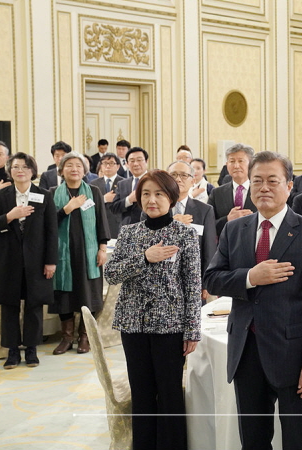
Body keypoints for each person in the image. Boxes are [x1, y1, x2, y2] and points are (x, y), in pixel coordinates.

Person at [203, 151, 302, 450]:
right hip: (246, 353)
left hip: (295, 355)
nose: (264, 188)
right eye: (257, 181)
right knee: (253, 441)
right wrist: (250, 277)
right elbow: (211, 278)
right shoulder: (235, 229)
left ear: (289, 186)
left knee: (297, 442)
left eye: (273, 181)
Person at [104, 170, 201, 450]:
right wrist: (145, 258)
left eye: (159, 193)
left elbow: (193, 285)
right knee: (142, 394)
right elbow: (111, 273)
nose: (152, 200)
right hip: (133, 326)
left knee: (170, 395)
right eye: (146, 193)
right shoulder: (129, 233)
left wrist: (192, 329)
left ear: (171, 197)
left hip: (170, 327)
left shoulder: (185, 234)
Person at [0, 153, 57, 369]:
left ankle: (32, 350)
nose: (20, 170)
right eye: (15, 167)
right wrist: (10, 216)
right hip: (8, 260)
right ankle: (13, 351)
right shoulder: (0, 196)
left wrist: (50, 261)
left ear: (33, 171)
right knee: (9, 305)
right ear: (10, 171)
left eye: (25, 167)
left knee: (34, 305)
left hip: (36, 260)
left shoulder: (44, 195)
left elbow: (52, 232)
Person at [48, 152, 110, 355]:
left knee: (87, 295)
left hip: (88, 253)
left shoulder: (93, 191)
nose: (74, 169)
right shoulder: (52, 193)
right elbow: (47, 226)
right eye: (69, 165)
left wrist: (102, 249)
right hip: (62, 254)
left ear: (85, 171)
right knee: (64, 296)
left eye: (78, 166)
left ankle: (85, 336)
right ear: (61, 170)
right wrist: (67, 208)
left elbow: (102, 221)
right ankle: (67, 337)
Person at [166, 161, 216, 304]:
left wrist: (205, 283)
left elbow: (209, 249)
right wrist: (171, 223)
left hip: (192, 281)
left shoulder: (205, 210)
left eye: (183, 175)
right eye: (173, 175)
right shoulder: (153, 208)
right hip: (161, 280)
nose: (178, 179)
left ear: (193, 180)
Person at [208, 143, 257, 236]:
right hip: (226, 244)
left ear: (251, 164)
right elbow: (208, 225)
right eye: (232, 161)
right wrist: (227, 219)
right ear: (227, 165)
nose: (236, 166)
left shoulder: (261, 191)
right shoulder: (216, 193)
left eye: (240, 161)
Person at [111, 147, 150, 227]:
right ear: (127, 164)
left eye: (139, 160)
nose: (135, 164)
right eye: (132, 161)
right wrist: (128, 200)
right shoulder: (122, 184)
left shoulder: (155, 181)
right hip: (126, 229)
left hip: (149, 228)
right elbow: (114, 208)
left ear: (146, 161)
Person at [90, 152, 125, 238]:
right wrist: (104, 199)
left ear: (118, 166)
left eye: (111, 163)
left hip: (119, 224)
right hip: (99, 223)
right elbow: (88, 204)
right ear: (101, 166)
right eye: (105, 163)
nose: (108, 166)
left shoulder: (124, 183)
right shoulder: (93, 184)